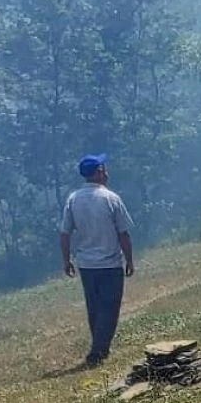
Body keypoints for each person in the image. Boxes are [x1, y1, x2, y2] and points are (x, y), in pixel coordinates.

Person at [59, 154, 135, 367]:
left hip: (87, 265)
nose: (107, 172)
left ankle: (100, 346)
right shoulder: (111, 198)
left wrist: (66, 261)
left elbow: (65, 233)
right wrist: (129, 260)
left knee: (94, 308)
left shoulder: (73, 199)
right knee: (109, 308)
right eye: (104, 168)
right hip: (110, 264)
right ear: (99, 172)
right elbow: (123, 233)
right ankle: (97, 352)